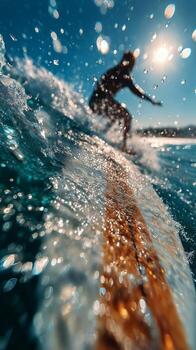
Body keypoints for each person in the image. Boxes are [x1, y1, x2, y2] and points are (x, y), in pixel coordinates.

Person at [89, 51, 162, 151]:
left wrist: (151, 101)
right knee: (127, 117)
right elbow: (100, 85)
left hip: (96, 101)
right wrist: (152, 101)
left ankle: (101, 134)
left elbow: (137, 92)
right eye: (131, 63)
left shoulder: (122, 74)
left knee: (116, 117)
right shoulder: (119, 72)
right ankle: (124, 146)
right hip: (98, 101)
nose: (132, 66)